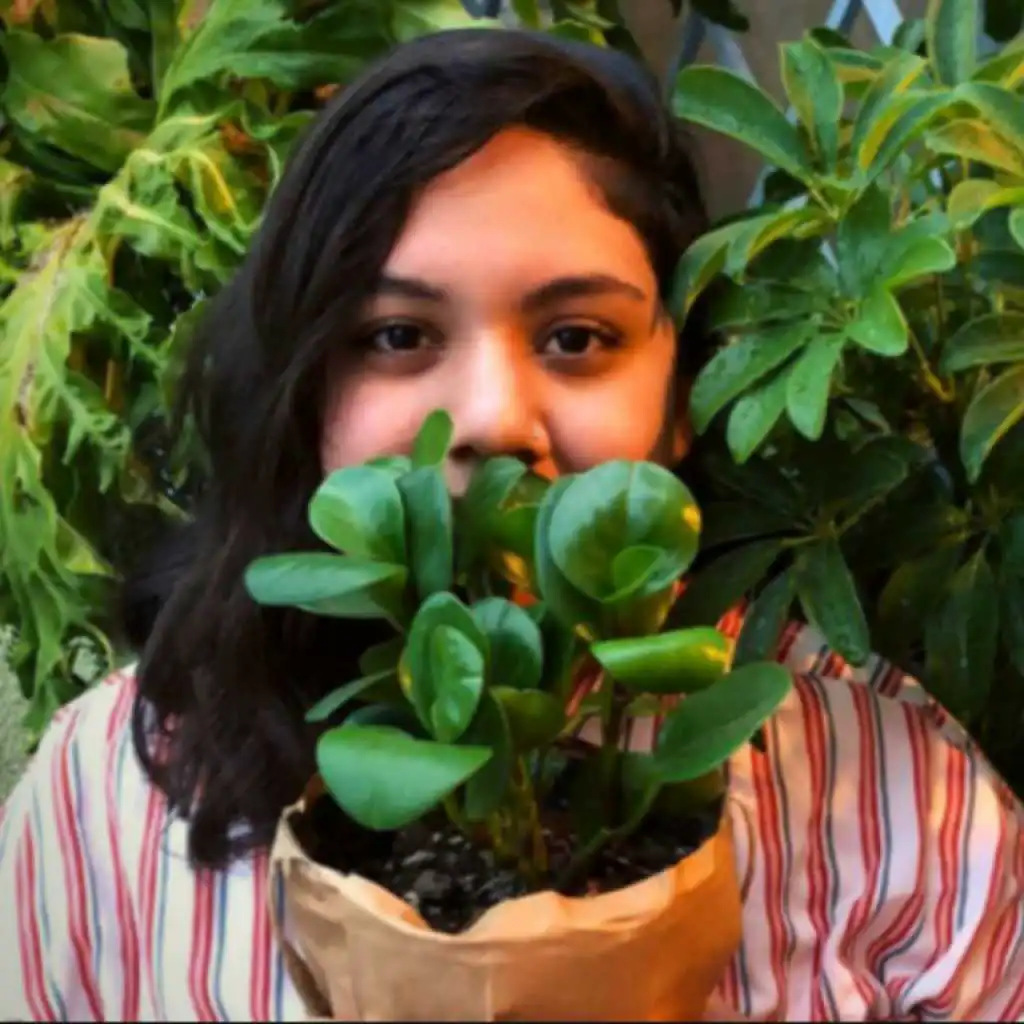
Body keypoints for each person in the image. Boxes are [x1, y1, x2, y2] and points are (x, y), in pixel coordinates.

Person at [1, 26, 1021, 1023]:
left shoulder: (898, 794)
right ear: (303, 392)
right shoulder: (105, 796)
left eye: (577, 337)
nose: (492, 419)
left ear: (682, 393)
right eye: (397, 335)